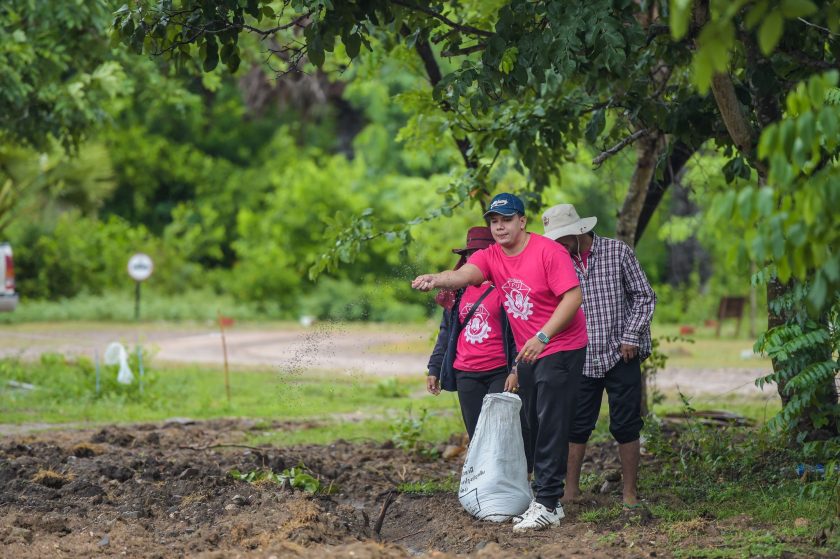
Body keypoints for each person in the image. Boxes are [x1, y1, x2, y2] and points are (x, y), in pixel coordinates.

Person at [413, 193, 587, 532]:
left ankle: (548, 503)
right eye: (494, 221)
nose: (499, 226)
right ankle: (544, 498)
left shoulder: (547, 251)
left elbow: (573, 296)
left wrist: (543, 336)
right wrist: (437, 278)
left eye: (506, 220)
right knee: (532, 422)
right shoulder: (492, 255)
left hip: (560, 346)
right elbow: (464, 276)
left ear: (522, 221)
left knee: (550, 422)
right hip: (529, 351)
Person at [541, 203, 656, 510]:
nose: (559, 245)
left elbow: (644, 296)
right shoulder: (556, 261)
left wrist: (631, 336)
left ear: (578, 231)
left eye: (562, 238)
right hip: (580, 354)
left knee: (626, 424)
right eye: (555, 240)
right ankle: (570, 491)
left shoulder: (617, 252)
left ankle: (629, 492)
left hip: (621, 352)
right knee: (576, 424)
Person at [426, 226, 523, 445]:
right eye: (469, 255)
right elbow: (446, 332)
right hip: (466, 372)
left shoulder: (507, 288)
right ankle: (480, 470)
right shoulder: (458, 292)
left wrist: (515, 369)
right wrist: (434, 368)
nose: (473, 260)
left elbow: (519, 332)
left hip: (499, 370)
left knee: (500, 435)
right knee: (477, 436)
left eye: (478, 254)